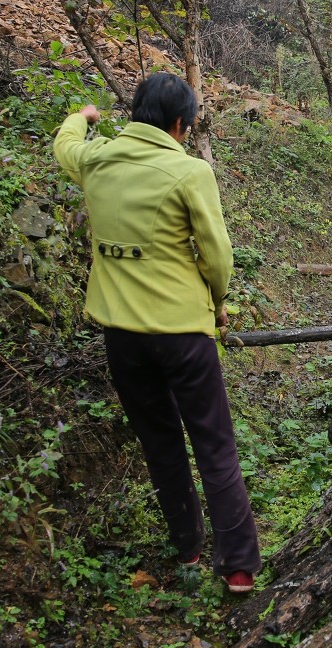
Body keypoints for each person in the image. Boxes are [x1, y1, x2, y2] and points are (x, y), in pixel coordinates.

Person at [54, 72, 261, 592]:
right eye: (188, 125)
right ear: (178, 124)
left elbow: (67, 146)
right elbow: (217, 256)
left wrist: (83, 116)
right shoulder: (189, 172)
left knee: (160, 442)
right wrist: (218, 305)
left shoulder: (96, 161)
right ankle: (237, 566)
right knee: (213, 443)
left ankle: (187, 551)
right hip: (183, 335)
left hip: (122, 336)